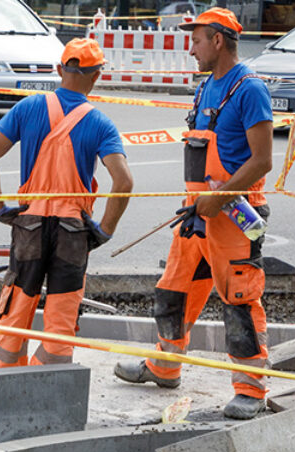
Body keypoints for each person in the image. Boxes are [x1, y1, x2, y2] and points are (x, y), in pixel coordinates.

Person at [113, 8, 274, 419]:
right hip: (196, 213)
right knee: (174, 290)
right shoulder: (207, 88)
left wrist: (218, 200)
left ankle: (251, 390)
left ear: (218, 41)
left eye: (197, 39)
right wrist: (198, 201)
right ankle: (165, 367)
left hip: (235, 217)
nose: (191, 48)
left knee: (239, 300)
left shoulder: (249, 89)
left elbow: (262, 161)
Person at [0, 38, 132, 369]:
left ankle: (0, 381)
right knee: (61, 320)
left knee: (16, 310)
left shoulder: (28, 108)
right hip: (73, 233)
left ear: (60, 70)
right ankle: (49, 392)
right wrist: (104, 231)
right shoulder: (100, 124)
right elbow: (124, 182)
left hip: (29, 226)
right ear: (96, 76)